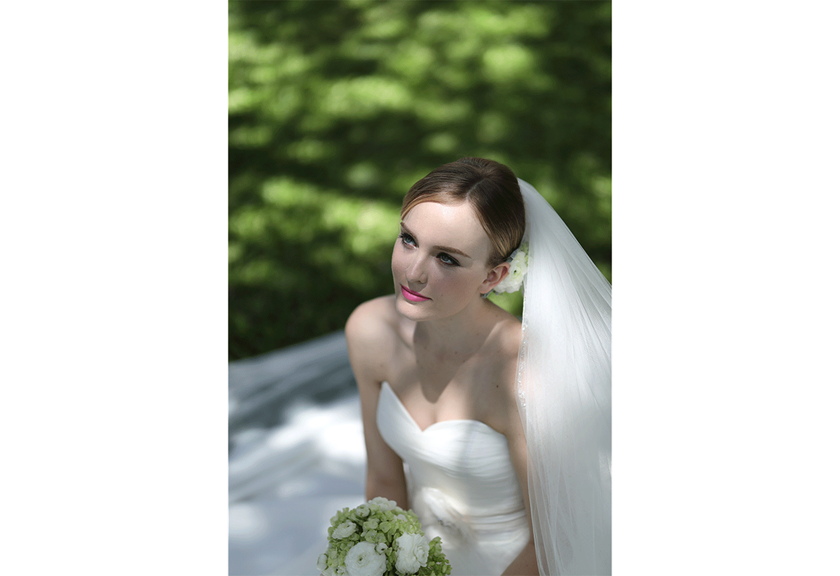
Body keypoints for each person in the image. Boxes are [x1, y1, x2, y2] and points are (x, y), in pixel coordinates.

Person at [345, 158, 612, 575]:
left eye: (447, 259)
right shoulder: (370, 332)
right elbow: (383, 483)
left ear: (493, 276)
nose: (413, 273)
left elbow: (552, 539)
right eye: (409, 240)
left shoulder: (524, 377)